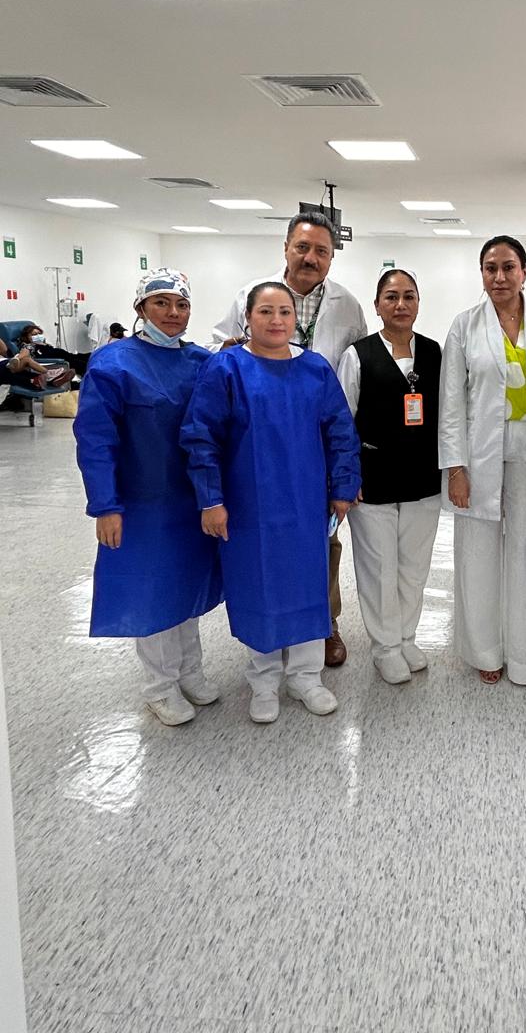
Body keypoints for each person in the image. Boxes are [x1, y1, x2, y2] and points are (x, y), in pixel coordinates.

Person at [182, 282, 361, 724]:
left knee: (308, 587)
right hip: (248, 507)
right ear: (248, 317)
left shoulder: (315, 369)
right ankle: (263, 681)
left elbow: (340, 432)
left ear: (295, 319)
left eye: (284, 311)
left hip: (305, 504)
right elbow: (202, 437)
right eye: (266, 311)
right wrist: (211, 499)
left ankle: (305, 677)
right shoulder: (227, 368)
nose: (276, 320)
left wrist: (343, 488)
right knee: (258, 587)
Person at [211, 211, 367, 668]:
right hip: (260, 442)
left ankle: (324, 623)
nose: (310, 258)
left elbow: (356, 370)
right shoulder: (251, 294)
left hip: (318, 441)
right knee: (263, 535)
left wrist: (347, 469)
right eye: (302, 247)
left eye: (321, 251)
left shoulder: (347, 305)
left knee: (322, 539)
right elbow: (217, 350)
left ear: (332, 258)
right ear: (285, 248)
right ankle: (270, 626)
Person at [73, 270, 222, 727]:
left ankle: (190, 672)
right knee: (152, 590)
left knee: (187, 586)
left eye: (182, 305)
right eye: (161, 303)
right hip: (141, 503)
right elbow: (95, 440)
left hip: (191, 498)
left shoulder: (200, 361)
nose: (173, 313)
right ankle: (160, 686)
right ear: (140, 308)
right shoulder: (114, 363)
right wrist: (106, 506)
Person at [439, 235, 526, 686]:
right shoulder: (465, 325)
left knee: (524, 556)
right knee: (477, 555)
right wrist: (456, 468)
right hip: (479, 453)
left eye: (508, 267)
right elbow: (451, 402)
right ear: (481, 274)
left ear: (524, 272)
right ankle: (485, 652)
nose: (499, 277)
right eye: (490, 268)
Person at [337, 270, 442, 684]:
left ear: (418, 303)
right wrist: (347, 476)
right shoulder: (357, 355)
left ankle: (407, 637)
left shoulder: (433, 352)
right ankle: (385, 647)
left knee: (414, 568)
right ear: (377, 305)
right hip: (373, 479)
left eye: (409, 296)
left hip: (422, 478)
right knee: (379, 568)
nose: (401, 304)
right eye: (391, 297)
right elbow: (343, 420)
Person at [16, 322, 89, 375]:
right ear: (27, 337)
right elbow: (26, 357)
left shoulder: (42, 344)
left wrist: (44, 345)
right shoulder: (29, 346)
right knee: (83, 364)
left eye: (39, 333)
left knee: (88, 356)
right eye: (34, 334)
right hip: (57, 362)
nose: (38, 336)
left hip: (67, 356)